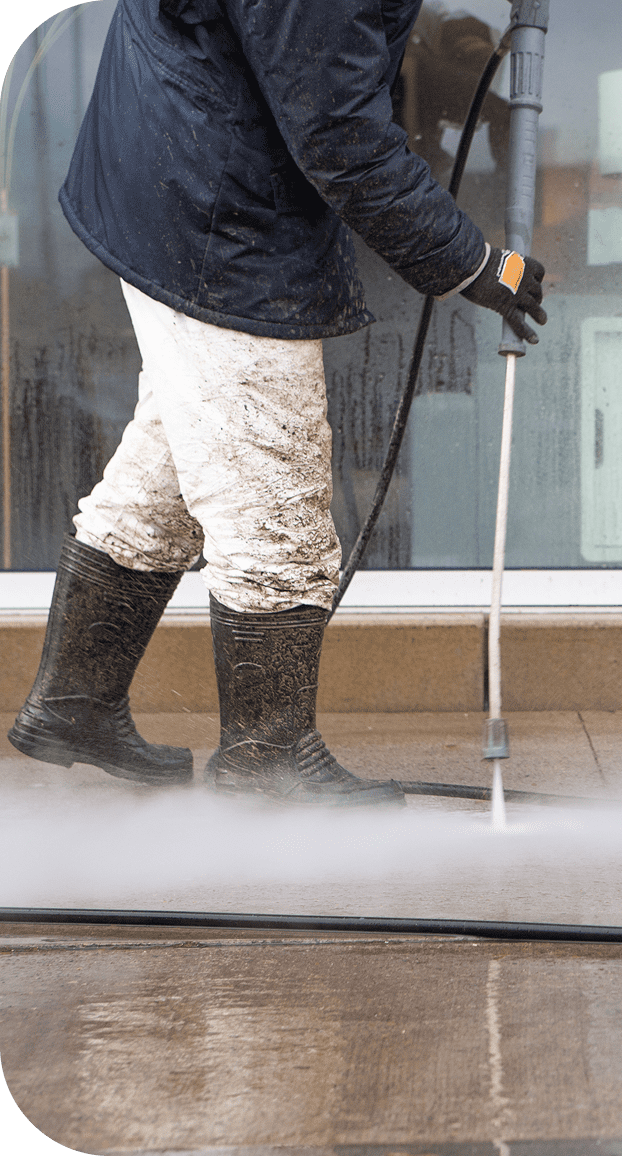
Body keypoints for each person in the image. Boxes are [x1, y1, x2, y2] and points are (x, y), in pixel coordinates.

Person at [7, 0, 546, 808]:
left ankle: (74, 705)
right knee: (273, 490)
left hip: (180, 166)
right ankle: (269, 758)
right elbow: (340, 138)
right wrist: (478, 265)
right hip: (214, 213)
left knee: (175, 462)